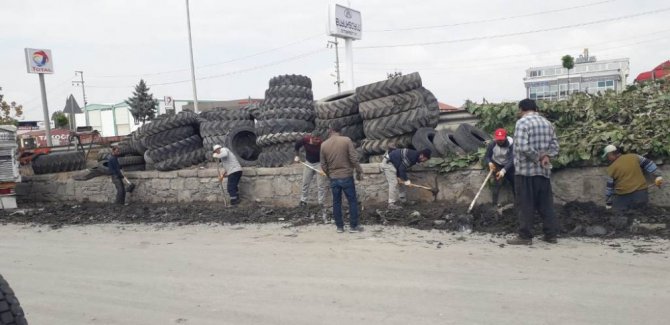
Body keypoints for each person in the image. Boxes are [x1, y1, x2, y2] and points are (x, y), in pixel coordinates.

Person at [508, 99, 560, 245]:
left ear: (521, 109)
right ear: (535, 108)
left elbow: (523, 147)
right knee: (546, 204)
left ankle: (525, 236)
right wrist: (546, 156)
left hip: (525, 172)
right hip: (543, 172)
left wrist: (537, 157)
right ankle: (551, 235)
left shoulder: (522, 123)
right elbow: (555, 146)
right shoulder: (547, 123)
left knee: (525, 205)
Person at [320, 124, 364, 233]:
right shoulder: (346, 140)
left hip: (334, 178)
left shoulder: (324, 145)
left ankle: (339, 227)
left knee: (336, 202)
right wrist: (359, 171)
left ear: (330, 131)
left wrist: (329, 174)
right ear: (340, 131)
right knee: (352, 201)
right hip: (346, 176)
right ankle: (354, 226)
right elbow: (353, 158)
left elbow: (323, 164)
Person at [603, 145, 663, 211]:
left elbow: (609, 189)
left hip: (623, 197)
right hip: (641, 194)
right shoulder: (634, 157)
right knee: (641, 214)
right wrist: (658, 177)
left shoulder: (611, 168)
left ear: (611, 154)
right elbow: (650, 164)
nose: (608, 158)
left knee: (618, 215)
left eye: (607, 156)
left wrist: (608, 203)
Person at [294, 132, 327, 208]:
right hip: (308, 163)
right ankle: (303, 201)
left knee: (320, 184)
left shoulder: (322, 144)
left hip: (319, 164)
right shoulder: (305, 140)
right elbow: (297, 146)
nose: (318, 141)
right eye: (316, 139)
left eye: (319, 139)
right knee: (305, 182)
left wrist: (325, 167)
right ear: (311, 138)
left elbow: (326, 155)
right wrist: (296, 156)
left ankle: (321, 203)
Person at [484, 128, 515, 206]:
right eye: (498, 140)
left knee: (515, 182)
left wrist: (503, 171)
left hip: (509, 165)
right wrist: (490, 163)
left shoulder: (511, 144)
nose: (500, 141)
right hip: (497, 164)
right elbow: (487, 156)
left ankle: (518, 203)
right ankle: (494, 205)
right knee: (498, 183)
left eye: (502, 140)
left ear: (505, 137)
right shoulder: (492, 144)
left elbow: (512, 159)